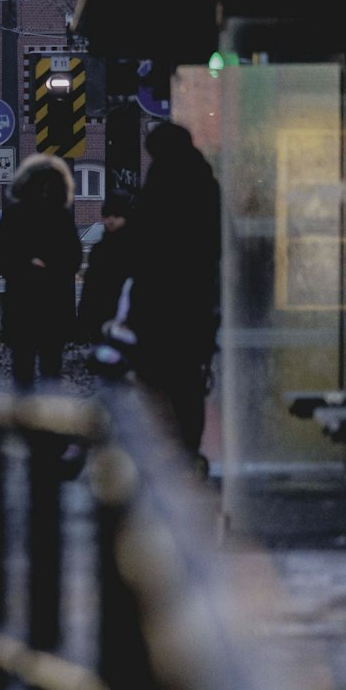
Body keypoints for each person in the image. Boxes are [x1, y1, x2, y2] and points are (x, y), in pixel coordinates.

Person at [128, 122, 221, 459]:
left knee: (158, 378)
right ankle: (189, 448)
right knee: (189, 381)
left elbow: (145, 243)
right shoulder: (205, 182)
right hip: (195, 300)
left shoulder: (161, 180)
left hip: (159, 301)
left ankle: (167, 450)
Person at [0, 153, 81, 387]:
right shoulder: (61, 216)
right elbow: (74, 258)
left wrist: (22, 266)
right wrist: (53, 270)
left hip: (22, 299)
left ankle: (24, 412)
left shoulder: (14, 215)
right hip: (55, 301)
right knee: (51, 365)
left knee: (23, 365)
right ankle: (48, 411)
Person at [76, 189, 136, 342]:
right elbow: (90, 288)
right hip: (103, 316)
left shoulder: (135, 247)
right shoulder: (100, 249)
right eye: (107, 216)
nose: (110, 221)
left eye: (116, 216)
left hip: (127, 316)